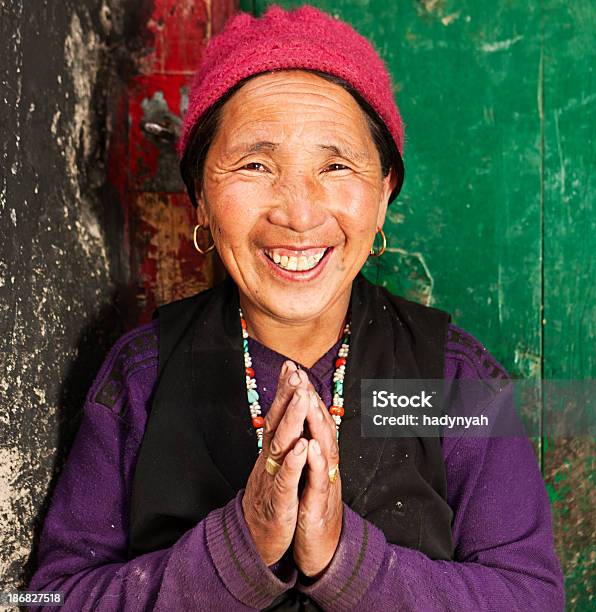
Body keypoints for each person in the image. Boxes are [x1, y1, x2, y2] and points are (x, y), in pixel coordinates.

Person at [27, 5, 564, 610]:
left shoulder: (450, 383)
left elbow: (530, 597)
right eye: (256, 165)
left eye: (336, 165)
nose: (299, 214)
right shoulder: (140, 378)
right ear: (200, 197)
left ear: (384, 193)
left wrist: (349, 561)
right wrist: (238, 549)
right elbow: (47, 601)